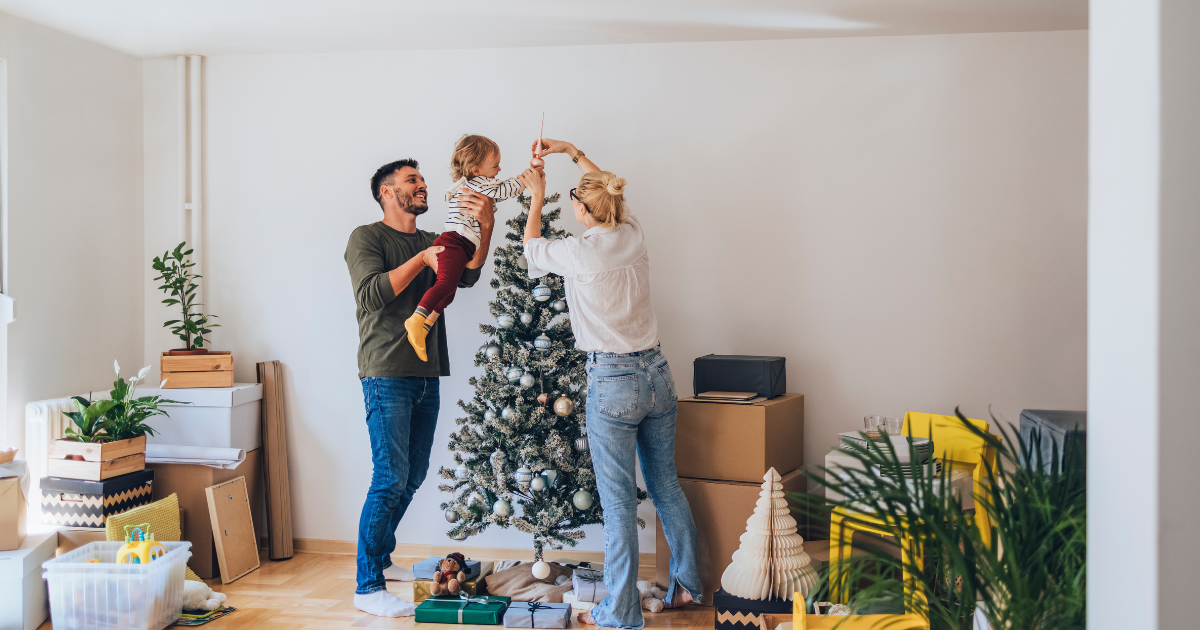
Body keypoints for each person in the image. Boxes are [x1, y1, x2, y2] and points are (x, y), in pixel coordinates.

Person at [518, 140, 702, 629]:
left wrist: (536, 195)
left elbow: (531, 248)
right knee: (666, 485)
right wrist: (572, 151)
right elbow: (608, 189)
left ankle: (619, 613)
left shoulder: (579, 253)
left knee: (618, 502)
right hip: (657, 374)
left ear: (580, 209)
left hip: (614, 381)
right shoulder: (633, 232)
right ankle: (688, 585)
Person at [344, 158, 495, 618]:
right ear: (388, 192)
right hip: (385, 371)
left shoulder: (434, 239)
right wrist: (422, 259)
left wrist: (485, 226)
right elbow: (370, 295)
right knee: (389, 478)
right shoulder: (367, 237)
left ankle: (380, 558)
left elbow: (466, 275)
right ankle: (366, 586)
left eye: (423, 179)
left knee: (411, 477)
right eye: (412, 180)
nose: (423, 185)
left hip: (427, 374)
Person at [404, 135, 528, 361]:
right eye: (496, 165)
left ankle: (424, 328)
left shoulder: (477, 185)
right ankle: (417, 318)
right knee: (444, 285)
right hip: (454, 242)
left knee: (449, 292)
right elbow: (505, 190)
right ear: (477, 169)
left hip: (458, 242)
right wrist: (528, 178)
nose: (500, 169)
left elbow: (498, 192)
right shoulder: (479, 184)